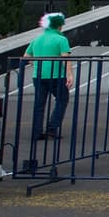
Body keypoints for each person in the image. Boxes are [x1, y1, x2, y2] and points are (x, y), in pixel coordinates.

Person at [23, 12, 73, 140]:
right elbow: (66, 59)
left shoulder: (37, 39)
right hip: (56, 75)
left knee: (39, 104)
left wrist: (36, 64)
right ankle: (52, 128)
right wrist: (70, 75)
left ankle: (37, 131)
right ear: (59, 25)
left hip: (38, 75)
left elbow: (26, 56)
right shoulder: (61, 39)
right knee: (62, 100)